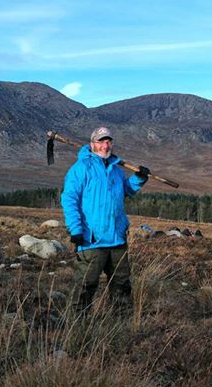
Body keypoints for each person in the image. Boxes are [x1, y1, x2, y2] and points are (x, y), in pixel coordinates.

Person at [62, 126, 149, 309]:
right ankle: (78, 326)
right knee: (85, 285)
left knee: (122, 285)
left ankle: (121, 323)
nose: (105, 145)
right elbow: (69, 199)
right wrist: (75, 229)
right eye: (101, 141)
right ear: (92, 144)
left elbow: (126, 191)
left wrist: (138, 179)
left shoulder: (116, 169)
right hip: (92, 239)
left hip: (117, 238)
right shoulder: (80, 169)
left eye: (108, 141)